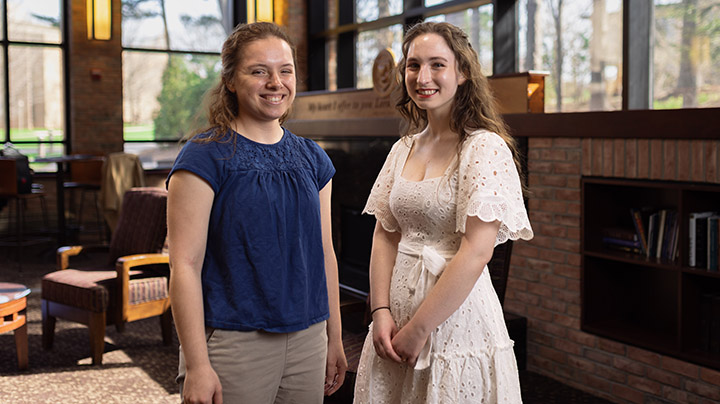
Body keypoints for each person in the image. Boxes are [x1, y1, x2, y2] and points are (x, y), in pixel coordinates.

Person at [353, 21, 534, 403]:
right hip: (392, 321)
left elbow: (477, 251)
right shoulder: (402, 148)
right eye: (414, 65)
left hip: (454, 323)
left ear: (463, 72)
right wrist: (380, 311)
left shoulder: (484, 148)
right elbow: (385, 233)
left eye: (437, 64)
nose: (423, 77)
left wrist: (419, 329)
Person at [166, 22, 346, 404]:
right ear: (231, 80)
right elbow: (184, 265)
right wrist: (198, 366)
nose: (275, 82)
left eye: (285, 70)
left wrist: (334, 337)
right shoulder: (204, 156)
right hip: (233, 342)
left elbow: (325, 254)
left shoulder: (313, 158)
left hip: (308, 339)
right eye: (258, 71)